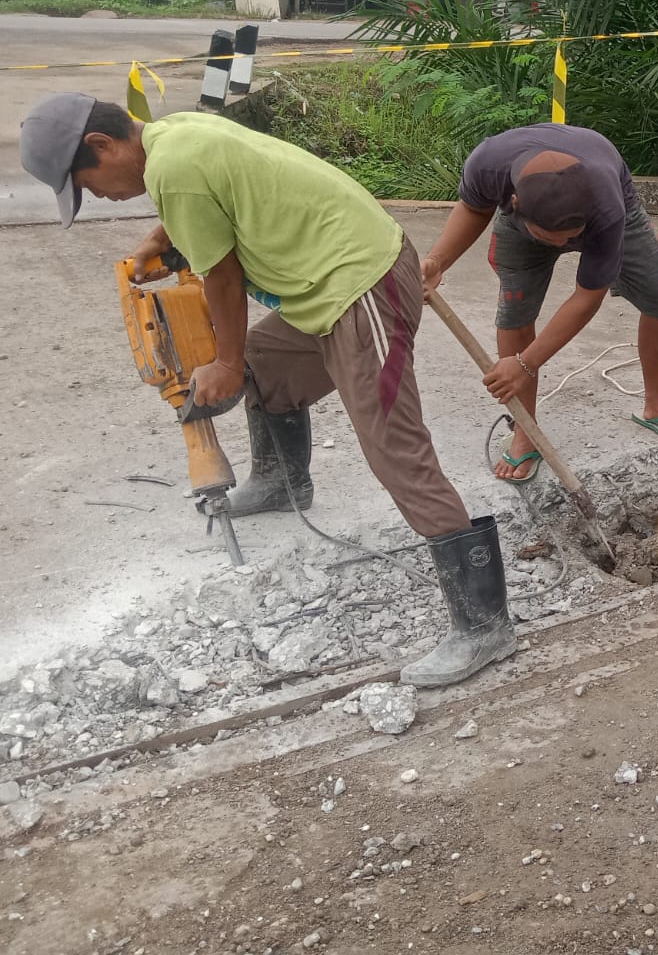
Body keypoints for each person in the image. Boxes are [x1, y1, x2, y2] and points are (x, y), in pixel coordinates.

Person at [19, 93, 513, 688]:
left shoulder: (172, 165)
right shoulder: (173, 136)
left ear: (101, 145)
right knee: (264, 364)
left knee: (393, 448)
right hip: (322, 289)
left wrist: (224, 362)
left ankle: (485, 625)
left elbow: (221, 275)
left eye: (86, 182)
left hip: (364, 285)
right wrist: (164, 240)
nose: (97, 196)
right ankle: (284, 481)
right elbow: (210, 210)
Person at [420, 123, 658, 480]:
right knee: (515, 314)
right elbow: (475, 209)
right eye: (551, 238)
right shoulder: (488, 164)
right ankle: (526, 430)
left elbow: (587, 296)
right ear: (514, 202)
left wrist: (525, 363)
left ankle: (656, 401)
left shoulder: (606, 207)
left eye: (570, 238)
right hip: (523, 227)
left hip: (610, 215)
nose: (562, 244)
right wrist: (438, 262)